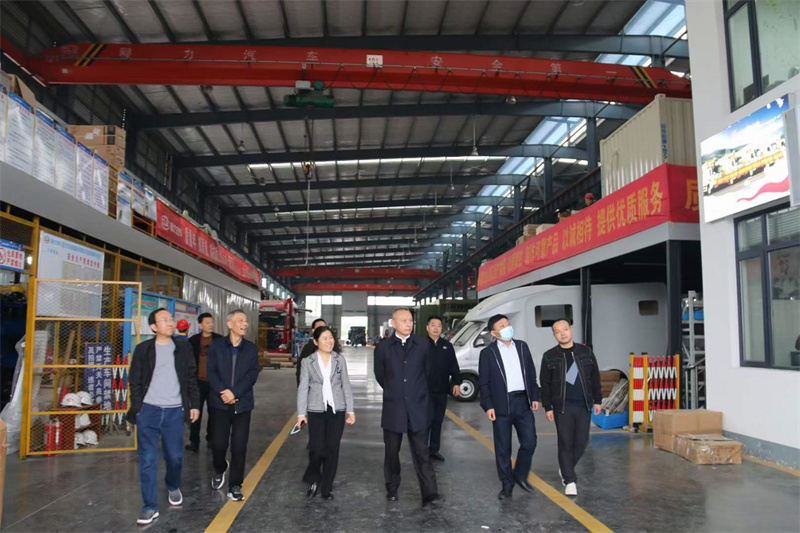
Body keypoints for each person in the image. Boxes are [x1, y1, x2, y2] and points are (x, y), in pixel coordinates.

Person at [126, 308, 199, 525]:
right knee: (148, 460)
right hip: (148, 411)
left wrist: (194, 404)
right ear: (153, 327)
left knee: (175, 457)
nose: (170, 322)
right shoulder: (143, 349)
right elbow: (135, 380)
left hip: (175, 411)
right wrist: (138, 407)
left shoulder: (183, 347)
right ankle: (149, 506)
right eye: (164, 320)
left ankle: (172, 484)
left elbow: (191, 377)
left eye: (171, 319)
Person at [374, 308, 441, 507]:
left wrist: (414, 391)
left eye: (410, 320)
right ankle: (392, 489)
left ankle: (430, 493)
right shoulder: (383, 348)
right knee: (391, 452)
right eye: (403, 320)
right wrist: (396, 390)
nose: (408, 324)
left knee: (422, 453)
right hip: (394, 407)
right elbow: (381, 376)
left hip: (418, 407)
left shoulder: (422, 345)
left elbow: (428, 372)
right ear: (393, 323)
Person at [478, 314, 540, 500]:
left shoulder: (521, 346)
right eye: (502, 326)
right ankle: (507, 485)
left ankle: (520, 474)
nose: (507, 327)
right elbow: (484, 383)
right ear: (494, 333)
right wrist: (488, 406)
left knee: (530, 442)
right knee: (503, 448)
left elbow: (531, 373)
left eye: (508, 324)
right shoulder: (488, 353)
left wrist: (535, 396)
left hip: (523, 402)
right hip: (501, 405)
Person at [540, 319, 602, 497]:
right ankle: (570, 480)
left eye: (565, 329)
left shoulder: (585, 352)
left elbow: (595, 377)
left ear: (571, 330)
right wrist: (548, 407)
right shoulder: (549, 356)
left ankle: (566, 468)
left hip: (583, 405)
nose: (563, 333)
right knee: (565, 442)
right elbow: (545, 384)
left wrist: (598, 400)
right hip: (562, 407)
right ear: (554, 335)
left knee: (582, 442)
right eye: (558, 331)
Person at [296, 326, 355, 500]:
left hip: (337, 408)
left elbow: (346, 384)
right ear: (316, 342)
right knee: (316, 448)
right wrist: (301, 414)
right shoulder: (308, 362)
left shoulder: (339, 360)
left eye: (331, 338)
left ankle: (326, 488)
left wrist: (350, 410)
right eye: (324, 338)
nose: (329, 341)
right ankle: (314, 478)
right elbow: (303, 388)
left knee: (332, 449)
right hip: (316, 409)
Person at [207, 309, 261, 502]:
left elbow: (252, 375)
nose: (244, 324)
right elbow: (211, 372)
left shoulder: (251, 349)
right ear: (230, 324)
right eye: (240, 320)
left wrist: (235, 393)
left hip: (242, 405)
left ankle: (235, 485)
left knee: (239, 446)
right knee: (218, 444)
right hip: (219, 404)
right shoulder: (216, 346)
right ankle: (220, 468)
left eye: (245, 321)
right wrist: (224, 392)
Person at [425, 315, 462, 462]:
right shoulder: (420, 345)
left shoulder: (447, 346)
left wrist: (457, 382)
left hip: (441, 390)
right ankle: (421, 450)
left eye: (439, 325)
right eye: (433, 325)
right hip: (424, 391)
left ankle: (434, 450)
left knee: (437, 421)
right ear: (427, 327)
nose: (436, 328)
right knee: (424, 422)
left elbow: (454, 366)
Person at [186, 313, 224, 452]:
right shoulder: (193, 341)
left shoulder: (220, 340)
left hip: (214, 382)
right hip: (198, 382)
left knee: (214, 412)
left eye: (211, 322)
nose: (210, 325)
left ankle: (211, 439)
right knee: (195, 411)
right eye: (207, 322)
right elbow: (189, 361)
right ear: (200, 325)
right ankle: (194, 441)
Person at [296, 318, 341, 387]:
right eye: (319, 327)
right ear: (313, 330)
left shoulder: (333, 345)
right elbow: (300, 369)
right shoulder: (308, 348)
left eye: (324, 327)